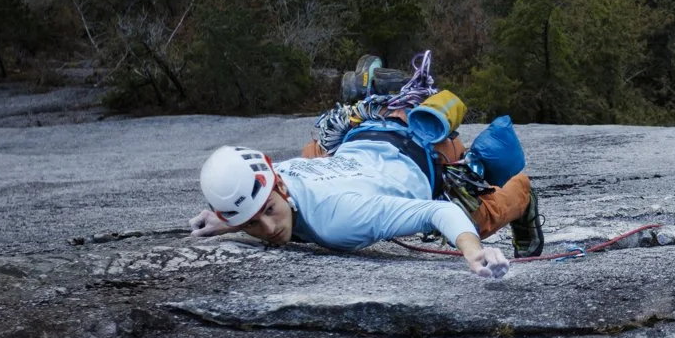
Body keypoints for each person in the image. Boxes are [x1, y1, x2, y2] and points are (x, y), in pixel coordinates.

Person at [188, 90, 543, 273]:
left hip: (431, 148)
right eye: (252, 223)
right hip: (369, 129)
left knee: (478, 220)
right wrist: (227, 220)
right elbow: (250, 199)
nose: (268, 229)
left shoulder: (339, 220)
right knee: (311, 154)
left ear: (279, 186)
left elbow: (438, 213)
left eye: (268, 211)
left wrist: (472, 251)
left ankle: (523, 195)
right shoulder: (276, 174)